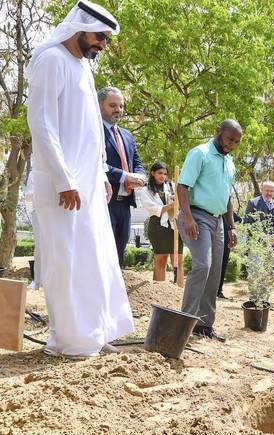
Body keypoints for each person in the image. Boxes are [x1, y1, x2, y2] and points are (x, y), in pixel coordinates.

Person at [25, 0, 133, 358]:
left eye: (106, 39)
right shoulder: (51, 60)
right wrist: (64, 180)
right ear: (81, 28)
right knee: (65, 262)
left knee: (93, 258)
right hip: (63, 187)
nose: (103, 44)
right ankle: (68, 342)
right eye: (100, 36)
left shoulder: (82, 66)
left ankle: (92, 333)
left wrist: (100, 174)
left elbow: (90, 129)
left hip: (87, 185)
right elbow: (42, 124)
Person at [177, 119, 241, 342]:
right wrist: (187, 217)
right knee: (202, 265)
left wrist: (231, 227)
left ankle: (204, 325)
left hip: (218, 221)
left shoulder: (229, 162)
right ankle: (183, 323)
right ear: (218, 131)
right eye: (229, 139)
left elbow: (227, 198)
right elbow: (182, 186)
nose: (231, 144)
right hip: (196, 216)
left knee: (215, 271)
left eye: (236, 142)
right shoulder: (200, 153)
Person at [100, 86, 145, 268]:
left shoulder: (127, 135)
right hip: (105, 201)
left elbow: (137, 162)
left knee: (120, 251)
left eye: (121, 106)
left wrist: (140, 177)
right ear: (100, 105)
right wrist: (125, 176)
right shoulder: (93, 132)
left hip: (125, 203)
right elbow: (97, 163)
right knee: (105, 253)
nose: (118, 110)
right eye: (113, 105)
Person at [243, 181, 274, 306]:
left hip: (272, 246)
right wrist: (263, 236)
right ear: (262, 190)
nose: (269, 193)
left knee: (267, 273)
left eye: (271, 191)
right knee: (255, 272)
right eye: (267, 190)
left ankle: (263, 301)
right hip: (256, 245)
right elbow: (248, 223)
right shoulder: (253, 203)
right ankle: (253, 301)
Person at [137, 162, 184, 287]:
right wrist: (174, 204)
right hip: (158, 227)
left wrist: (177, 200)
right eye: (159, 173)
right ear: (152, 173)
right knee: (161, 260)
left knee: (178, 261)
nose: (162, 176)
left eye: (165, 174)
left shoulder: (171, 186)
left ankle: (180, 292)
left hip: (174, 226)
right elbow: (154, 209)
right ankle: (159, 291)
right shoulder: (145, 191)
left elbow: (180, 204)